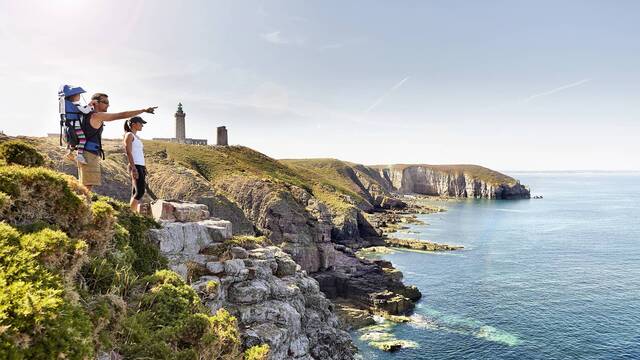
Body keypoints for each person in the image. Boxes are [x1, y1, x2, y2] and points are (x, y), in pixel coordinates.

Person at [77, 92, 156, 192]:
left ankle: (80, 205)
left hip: (85, 153)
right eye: (105, 102)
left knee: (84, 184)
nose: (108, 105)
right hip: (89, 154)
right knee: (87, 186)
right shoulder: (96, 116)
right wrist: (143, 110)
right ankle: (83, 206)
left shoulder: (87, 115)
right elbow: (121, 115)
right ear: (95, 103)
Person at [123, 116, 147, 213]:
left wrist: (144, 167)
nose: (142, 126)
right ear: (134, 124)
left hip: (140, 165)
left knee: (136, 192)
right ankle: (131, 214)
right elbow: (128, 152)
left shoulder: (137, 137)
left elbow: (139, 153)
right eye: (141, 123)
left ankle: (133, 213)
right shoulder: (129, 135)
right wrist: (133, 168)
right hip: (135, 165)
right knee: (140, 192)